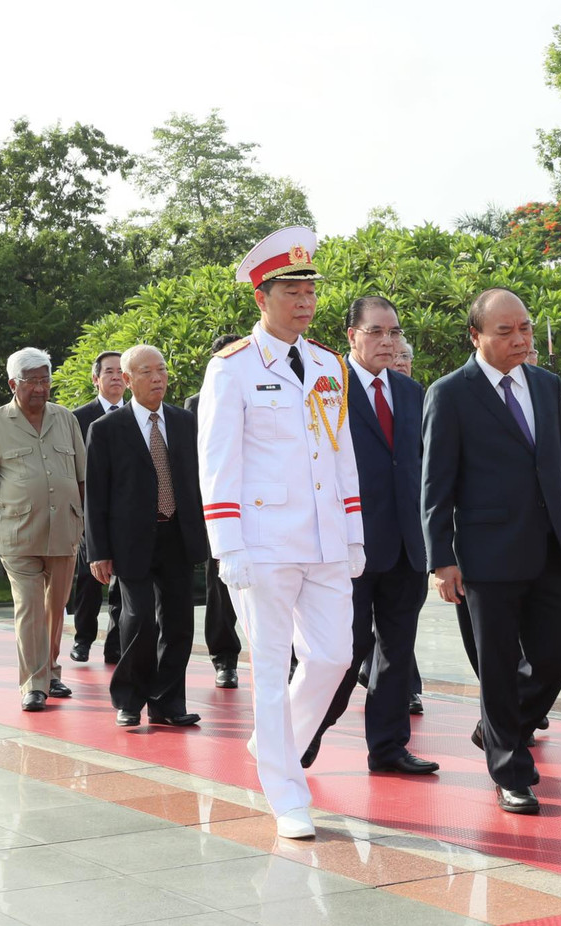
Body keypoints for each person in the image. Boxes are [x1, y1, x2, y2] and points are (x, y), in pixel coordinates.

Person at [197, 226, 364, 839]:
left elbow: (342, 452)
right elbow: (217, 462)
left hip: (325, 537)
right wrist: (228, 545)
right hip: (263, 542)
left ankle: (272, 742)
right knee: (269, 668)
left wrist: (353, 530)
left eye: (310, 291)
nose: (305, 301)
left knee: (335, 656)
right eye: (291, 291)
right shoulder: (233, 368)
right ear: (261, 297)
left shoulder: (327, 364)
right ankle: (288, 793)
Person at [422, 287, 561, 815]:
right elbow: (435, 485)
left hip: (550, 546)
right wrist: (441, 559)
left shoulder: (546, 384)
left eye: (525, 328)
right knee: (496, 664)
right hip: (485, 553)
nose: (520, 339)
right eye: (505, 331)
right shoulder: (450, 394)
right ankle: (510, 772)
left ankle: (498, 727)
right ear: (476, 336)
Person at [302, 296, 437, 775]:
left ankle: (388, 748)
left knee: (396, 654)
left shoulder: (411, 391)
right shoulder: (325, 389)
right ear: (351, 335)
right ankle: (304, 734)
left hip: (406, 547)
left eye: (394, 332)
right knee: (344, 651)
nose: (388, 341)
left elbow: (421, 468)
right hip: (348, 546)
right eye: (376, 331)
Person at [85, 344, 210, 728]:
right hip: (131, 541)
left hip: (178, 535)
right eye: (147, 372)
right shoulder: (106, 429)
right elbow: (96, 494)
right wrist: (98, 551)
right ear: (127, 379)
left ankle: (167, 703)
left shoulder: (185, 422)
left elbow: (199, 480)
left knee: (179, 625)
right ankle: (129, 699)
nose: (158, 378)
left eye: (162, 370)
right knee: (138, 621)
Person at [0, 348, 86, 711]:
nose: (40, 388)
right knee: (29, 607)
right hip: (18, 532)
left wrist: (86, 524)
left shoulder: (66, 419)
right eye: (31, 381)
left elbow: (82, 478)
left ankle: (50, 671)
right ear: (13, 384)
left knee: (56, 606)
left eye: (44, 380)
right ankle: (33, 685)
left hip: (64, 528)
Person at [185, 334, 243, 689]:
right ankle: (224, 659)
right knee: (219, 586)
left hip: (263, 506)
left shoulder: (265, 391)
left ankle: (291, 660)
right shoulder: (196, 404)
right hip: (218, 507)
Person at [70, 351, 125, 664]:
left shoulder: (136, 414)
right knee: (89, 580)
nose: (116, 377)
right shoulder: (78, 418)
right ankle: (83, 639)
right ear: (96, 379)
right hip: (90, 512)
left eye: (120, 372)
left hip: (126, 512)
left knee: (123, 584)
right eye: (109, 372)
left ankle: (115, 643)